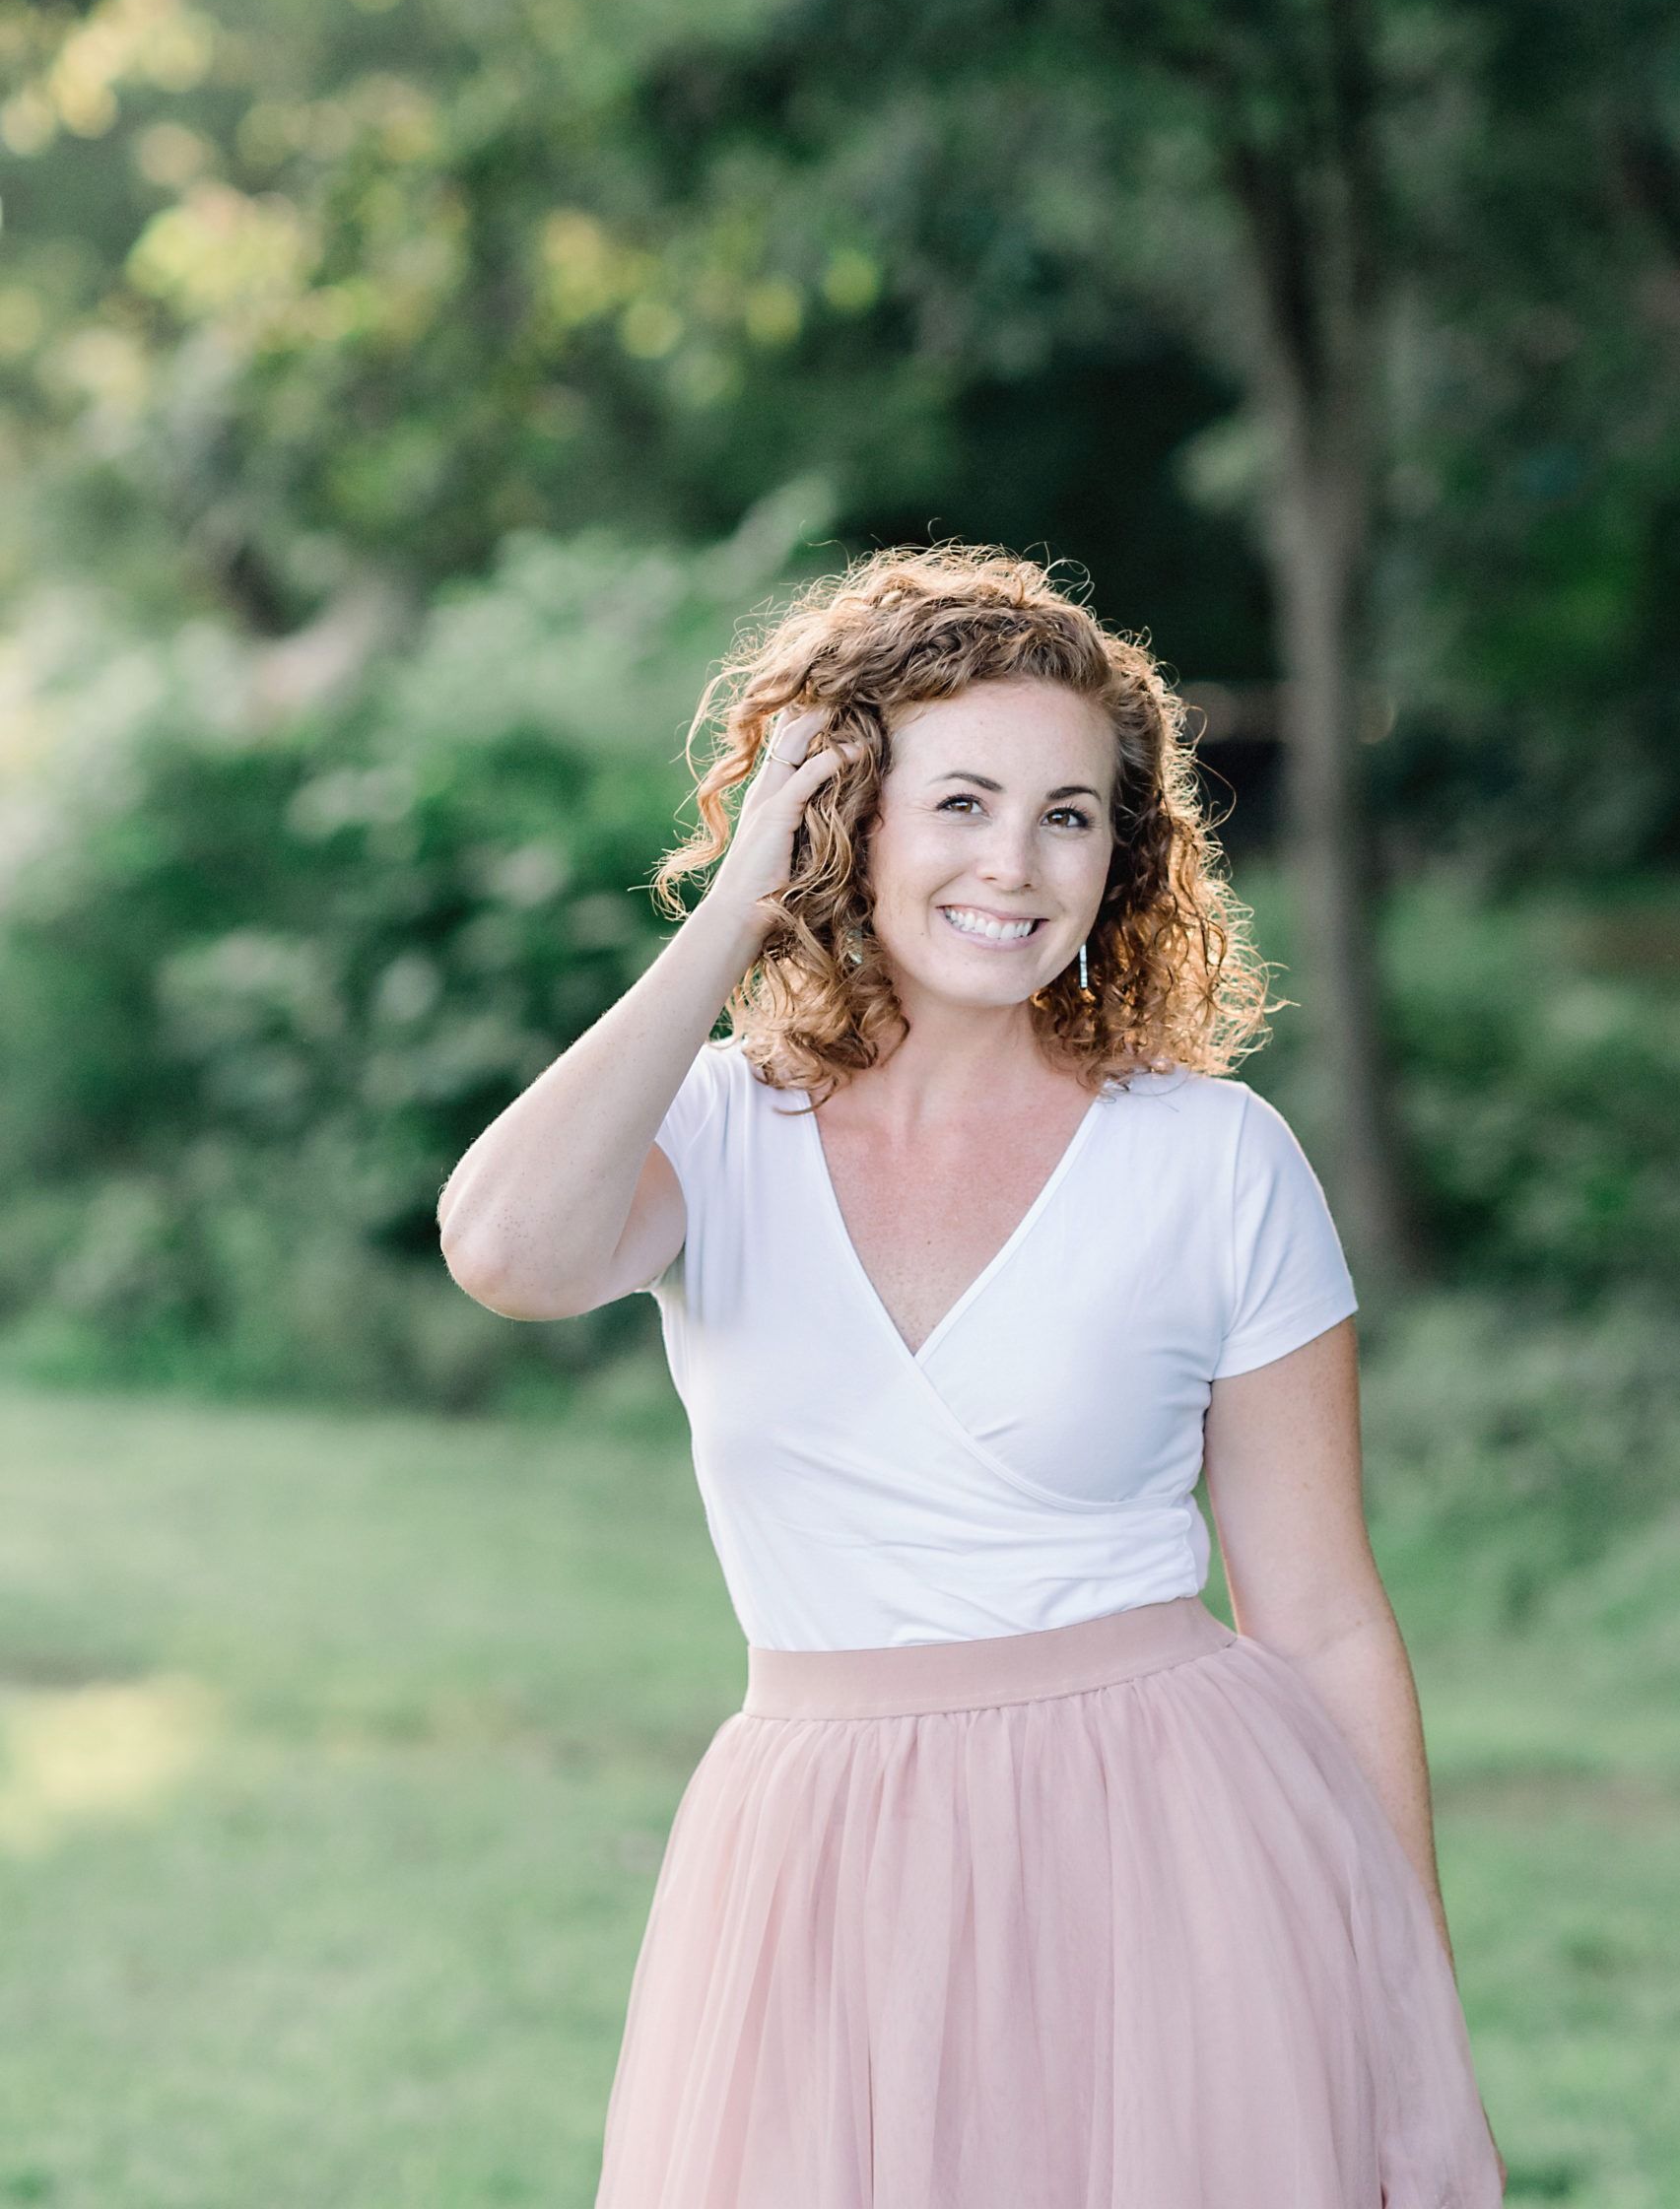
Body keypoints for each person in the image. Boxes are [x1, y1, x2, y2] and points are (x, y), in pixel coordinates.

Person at [437, 543, 1507, 2208]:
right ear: (842, 816)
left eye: (1069, 814)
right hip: (816, 1874)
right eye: (959, 801)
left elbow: (1321, 1618)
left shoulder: (1215, 1159)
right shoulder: (714, 1136)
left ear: (1120, 854)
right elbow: (505, 1251)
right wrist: (734, 913)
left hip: (1180, 1857)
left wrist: (1414, 2029)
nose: (1016, 864)